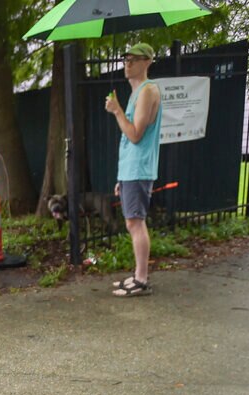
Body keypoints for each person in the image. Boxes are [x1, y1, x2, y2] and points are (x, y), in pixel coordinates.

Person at [104, 42, 163, 296]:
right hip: (131, 169)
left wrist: (117, 111)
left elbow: (136, 135)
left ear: (148, 62)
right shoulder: (137, 91)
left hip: (138, 168)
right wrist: (121, 176)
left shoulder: (148, 91)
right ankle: (138, 275)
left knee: (135, 223)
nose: (128, 63)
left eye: (134, 59)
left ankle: (141, 280)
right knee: (132, 223)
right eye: (126, 58)